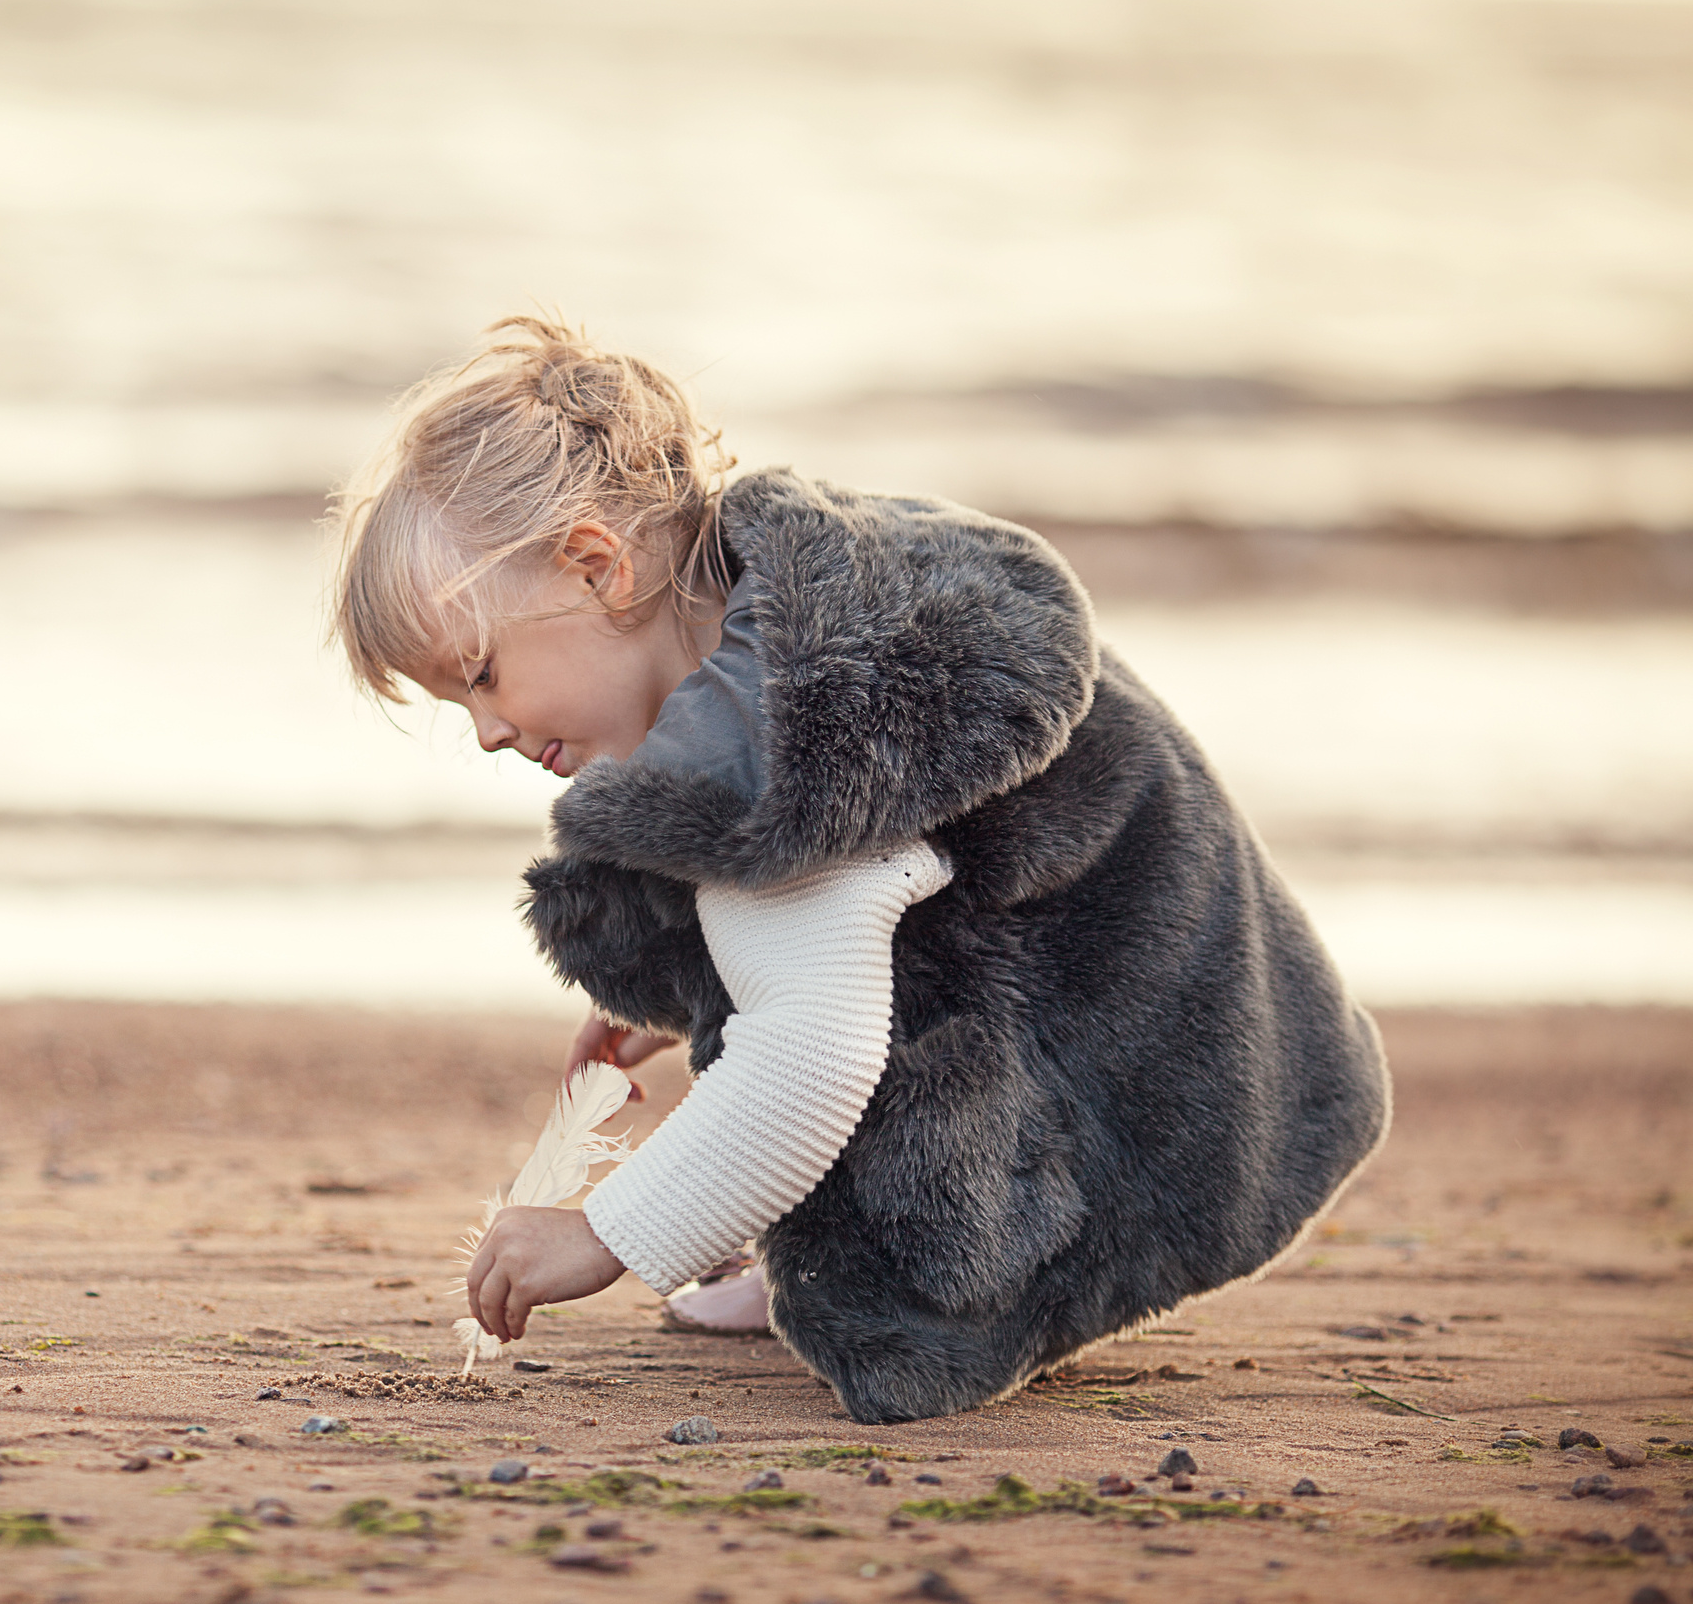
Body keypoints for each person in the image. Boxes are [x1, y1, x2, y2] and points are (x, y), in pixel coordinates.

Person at [327, 315, 1391, 1424]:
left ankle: (911, 1276)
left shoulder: (782, 763)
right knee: (791, 970)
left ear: (597, 566)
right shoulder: (809, 607)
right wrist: (695, 988)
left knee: (806, 1055)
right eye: (461, 707)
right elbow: (899, 889)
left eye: (484, 674)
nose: (488, 733)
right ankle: (793, 1232)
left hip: (1159, 1135)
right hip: (1252, 1041)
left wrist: (604, 1233)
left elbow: (808, 1060)